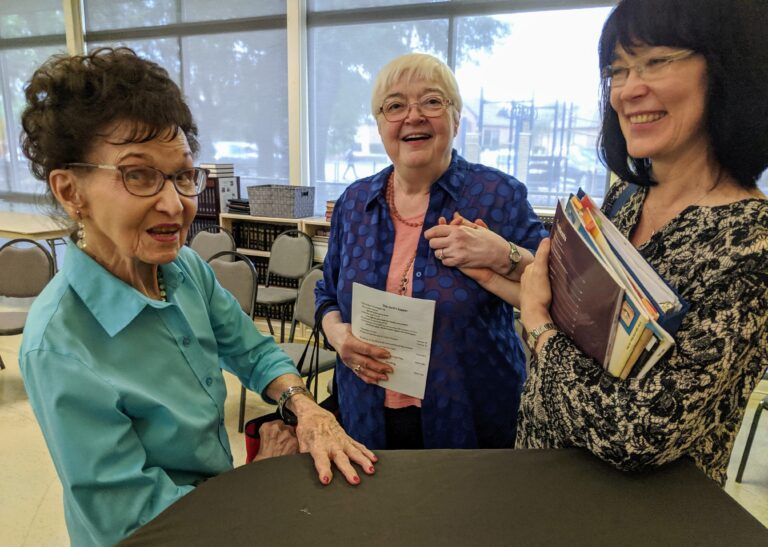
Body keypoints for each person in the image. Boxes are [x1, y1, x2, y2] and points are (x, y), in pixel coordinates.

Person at [18, 48, 376, 546]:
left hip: (218, 507)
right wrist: (256, 486)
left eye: (183, 175)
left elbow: (252, 351)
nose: (176, 203)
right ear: (70, 191)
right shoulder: (60, 344)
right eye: (137, 174)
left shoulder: (182, 269)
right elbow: (133, 517)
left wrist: (304, 407)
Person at [455, 0, 767, 485]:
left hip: (632, 514)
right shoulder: (628, 196)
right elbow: (590, 331)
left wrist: (536, 325)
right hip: (543, 472)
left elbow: (637, 432)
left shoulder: (750, 245)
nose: (628, 90)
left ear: (727, 70)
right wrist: (508, 268)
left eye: (656, 61)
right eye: (617, 71)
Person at [315, 53, 548, 450]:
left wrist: (502, 254)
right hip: (368, 412)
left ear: (456, 119)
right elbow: (328, 294)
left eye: (432, 102)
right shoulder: (354, 203)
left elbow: (555, 288)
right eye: (395, 106)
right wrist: (338, 335)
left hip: (471, 414)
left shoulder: (498, 196)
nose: (413, 116)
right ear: (380, 125)